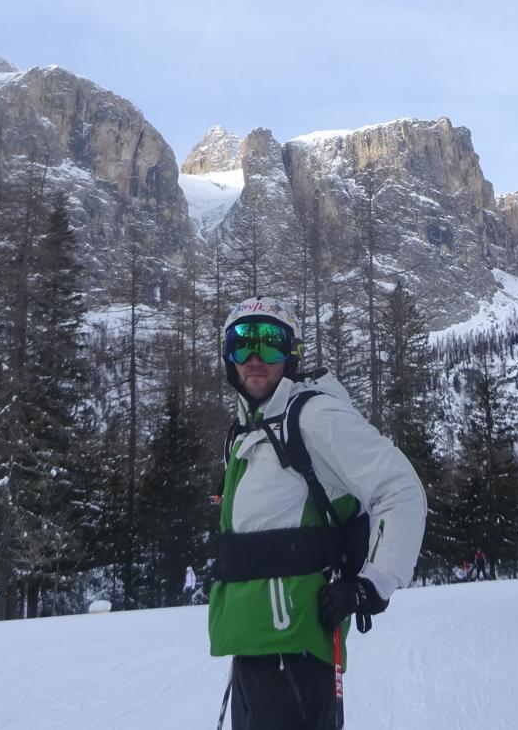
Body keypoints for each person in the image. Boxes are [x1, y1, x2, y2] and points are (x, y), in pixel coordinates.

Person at [208, 296, 426, 730]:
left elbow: (400, 488)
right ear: (228, 357)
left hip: (296, 645)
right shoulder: (246, 431)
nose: (254, 358)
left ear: (291, 354)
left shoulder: (313, 416)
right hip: (250, 643)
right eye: (241, 344)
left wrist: (374, 583)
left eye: (271, 344)